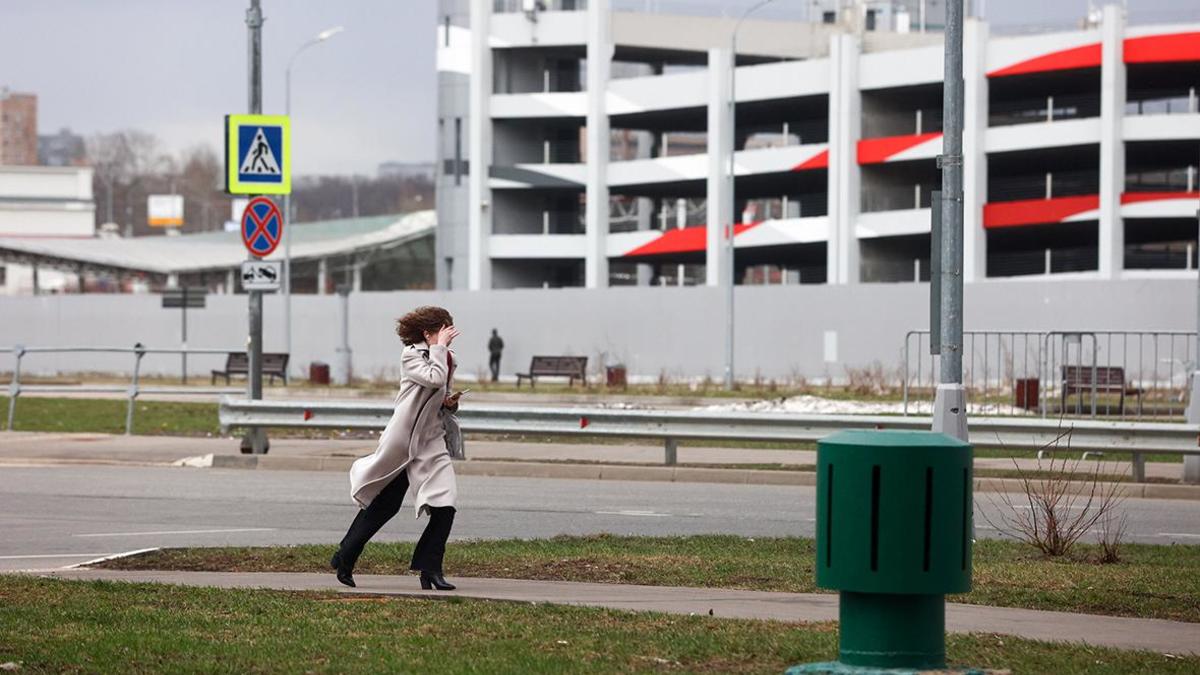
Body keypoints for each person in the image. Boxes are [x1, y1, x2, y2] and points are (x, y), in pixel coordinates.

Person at [332, 306, 463, 591]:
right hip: (403, 441)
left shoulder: (447, 357)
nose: (449, 335)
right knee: (385, 505)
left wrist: (450, 403)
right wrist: (440, 349)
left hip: (430, 441)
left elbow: (439, 391)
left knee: (445, 504)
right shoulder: (411, 355)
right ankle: (345, 556)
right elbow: (433, 379)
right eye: (443, 330)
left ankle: (430, 569)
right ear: (427, 333)